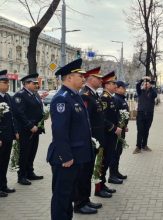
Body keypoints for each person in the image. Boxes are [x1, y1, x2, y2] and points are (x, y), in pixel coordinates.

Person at [47, 58, 94, 219]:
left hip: (77, 157)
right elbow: (59, 131)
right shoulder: (62, 98)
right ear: (69, 78)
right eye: (79, 76)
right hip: (66, 158)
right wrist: (65, 156)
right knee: (62, 198)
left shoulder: (75, 96)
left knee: (69, 196)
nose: (83, 78)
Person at [75, 66, 105, 213]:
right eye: (98, 78)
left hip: (94, 140)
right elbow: (85, 121)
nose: (100, 81)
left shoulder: (93, 94)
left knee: (88, 172)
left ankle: (86, 200)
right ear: (91, 79)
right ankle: (80, 203)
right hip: (89, 140)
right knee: (83, 173)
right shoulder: (85, 95)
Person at [12, 73, 44, 185]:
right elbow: (19, 113)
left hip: (36, 129)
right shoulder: (20, 95)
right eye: (34, 83)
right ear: (26, 84)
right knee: (24, 153)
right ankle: (22, 176)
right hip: (26, 130)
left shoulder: (34, 94)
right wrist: (30, 126)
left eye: (36, 83)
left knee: (32, 152)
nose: (36, 85)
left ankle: (30, 172)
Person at [99, 71, 123, 190]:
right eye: (113, 83)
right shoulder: (104, 98)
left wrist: (120, 126)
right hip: (107, 134)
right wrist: (113, 128)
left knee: (108, 159)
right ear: (106, 85)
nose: (115, 86)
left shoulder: (111, 98)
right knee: (103, 161)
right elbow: (102, 118)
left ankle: (103, 185)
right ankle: (100, 187)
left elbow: (115, 115)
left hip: (112, 134)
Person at [0, 69, 17, 197]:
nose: (8, 85)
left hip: (8, 136)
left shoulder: (7, 97)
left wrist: (15, 131)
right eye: (5, 82)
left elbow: (12, 116)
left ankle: (3, 185)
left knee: (4, 161)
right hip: (1, 137)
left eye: (8, 82)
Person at [133, 76, 157, 154]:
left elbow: (155, 94)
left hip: (149, 114)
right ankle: (138, 147)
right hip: (141, 114)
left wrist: (150, 85)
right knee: (140, 130)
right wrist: (142, 80)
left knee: (146, 130)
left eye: (148, 84)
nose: (146, 85)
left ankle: (144, 145)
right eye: (145, 84)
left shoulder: (152, 92)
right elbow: (137, 85)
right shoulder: (140, 92)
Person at [112, 80, 130, 180]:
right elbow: (115, 116)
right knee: (115, 152)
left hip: (121, 129)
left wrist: (125, 125)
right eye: (123, 87)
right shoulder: (116, 99)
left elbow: (123, 115)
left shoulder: (121, 98)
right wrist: (119, 126)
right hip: (117, 130)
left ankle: (116, 172)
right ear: (117, 88)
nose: (125, 89)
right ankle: (112, 175)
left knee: (118, 152)